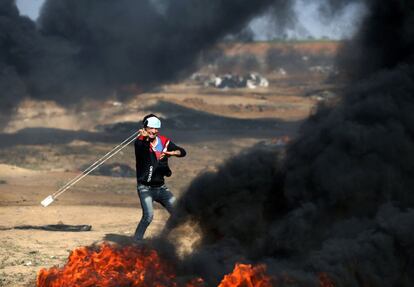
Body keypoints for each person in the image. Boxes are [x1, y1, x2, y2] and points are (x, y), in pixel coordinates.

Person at [133, 114, 186, 240]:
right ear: (145, 128)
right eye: (151, 128)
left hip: (161, 188)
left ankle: (162, 238)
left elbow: (182, 152)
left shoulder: (164, 141)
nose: (154, 131)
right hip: (145, 188)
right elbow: (142, 151)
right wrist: (144, 138)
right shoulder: (139, 142)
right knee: (148, 217)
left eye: (156, 129)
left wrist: (172, 153)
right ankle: (136, 242)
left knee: (178, 214)